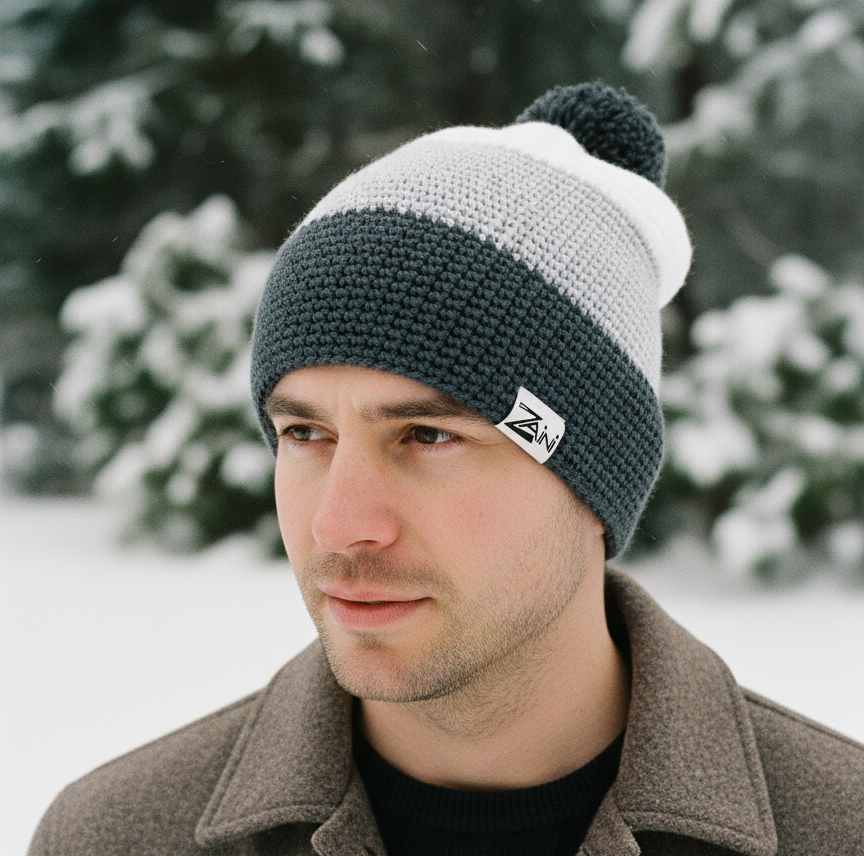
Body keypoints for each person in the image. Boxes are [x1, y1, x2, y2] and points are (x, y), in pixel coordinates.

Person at [29, 83, 863, 856]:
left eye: (427, 436)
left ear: (591, 476)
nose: (338, 523)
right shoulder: (114, 834)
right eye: (305, 435)